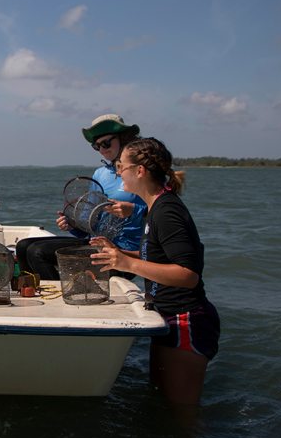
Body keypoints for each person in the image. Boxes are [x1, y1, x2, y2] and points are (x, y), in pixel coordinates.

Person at [90, 137, 220, 405]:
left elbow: (187, 274)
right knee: (162, 406)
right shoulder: (155, 207)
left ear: (140, 171)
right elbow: (157, 257)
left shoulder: (167, 211)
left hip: (186, 321)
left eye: (121, 167)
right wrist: (119, 253)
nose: (117, 172)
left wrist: (127, 265)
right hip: (167, 318)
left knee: (182, 417)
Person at [15, 113, 147, 280]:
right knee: (23, 246)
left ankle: (65, 295)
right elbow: (88, 227)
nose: (102, 149)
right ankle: (33, 289)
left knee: (37, 252)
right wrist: (71, 225)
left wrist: (133, 210)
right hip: (96, 243)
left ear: (124, 138)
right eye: (96, 146)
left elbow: (161, 211)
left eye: (106, 143)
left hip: (122, 251)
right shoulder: (100, 174)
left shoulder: (141, 171)